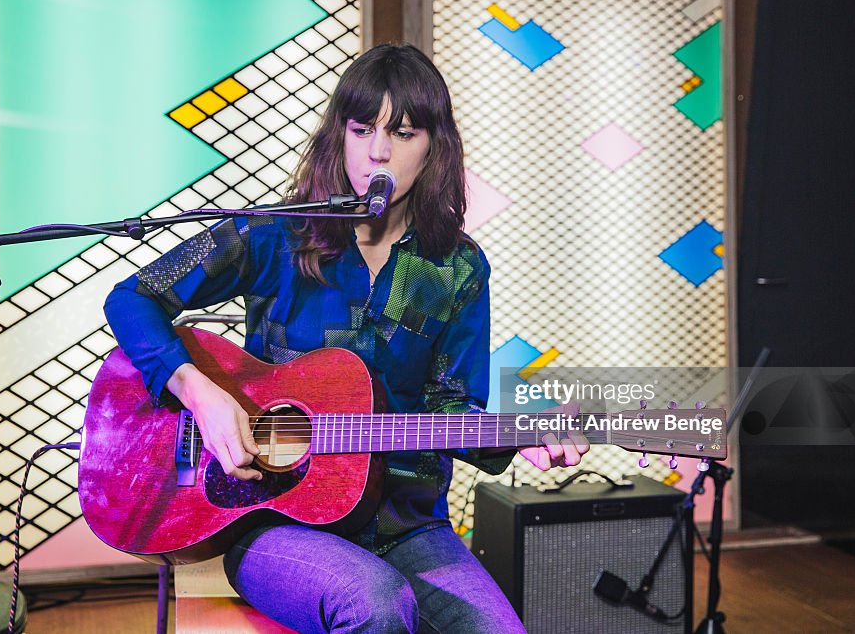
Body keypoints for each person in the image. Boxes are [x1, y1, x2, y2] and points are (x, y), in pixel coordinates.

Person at [104, 43, 588, 633]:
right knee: (375, 602)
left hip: (406, 526)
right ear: (341, 135)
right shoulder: (274, 234)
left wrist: (521, 438)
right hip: (271, 521)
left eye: (403, 133)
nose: (378, 151)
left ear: (435, 145)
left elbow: (451, 407)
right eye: (363, 129)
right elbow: (132, 298)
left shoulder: (457, 268)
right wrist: (203, 396)